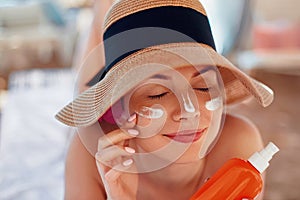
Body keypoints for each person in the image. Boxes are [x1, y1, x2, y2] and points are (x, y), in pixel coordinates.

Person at [56, 0, 274, 199]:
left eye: (203, 86)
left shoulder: (240, 145)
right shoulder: (88, 154)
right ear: (118, 109)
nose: (190, 110)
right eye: (157, 93)